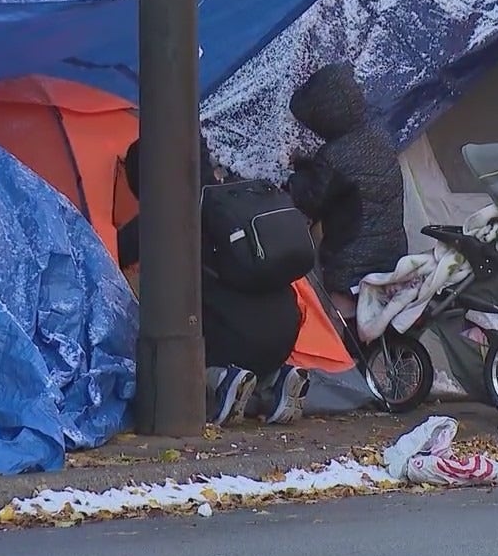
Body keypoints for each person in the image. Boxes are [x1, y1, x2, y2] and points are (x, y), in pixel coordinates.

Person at [116, 138, 310, 426]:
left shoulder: (165, 214)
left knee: (168, 337)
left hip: (230, 340)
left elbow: (112, 254)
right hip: (284, 331)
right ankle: (276, 381)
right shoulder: (238, 195)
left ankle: (217, 380)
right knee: (238, 313)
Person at [286, 62, 407, 318]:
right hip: (391, 252)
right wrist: (307, 164)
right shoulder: (379, 135)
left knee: (345, 326)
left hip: (351, 260)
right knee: (379, 322)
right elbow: (349, 180)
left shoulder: (333, 156)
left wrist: (292, 179)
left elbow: (312, 198)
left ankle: (348, 355)